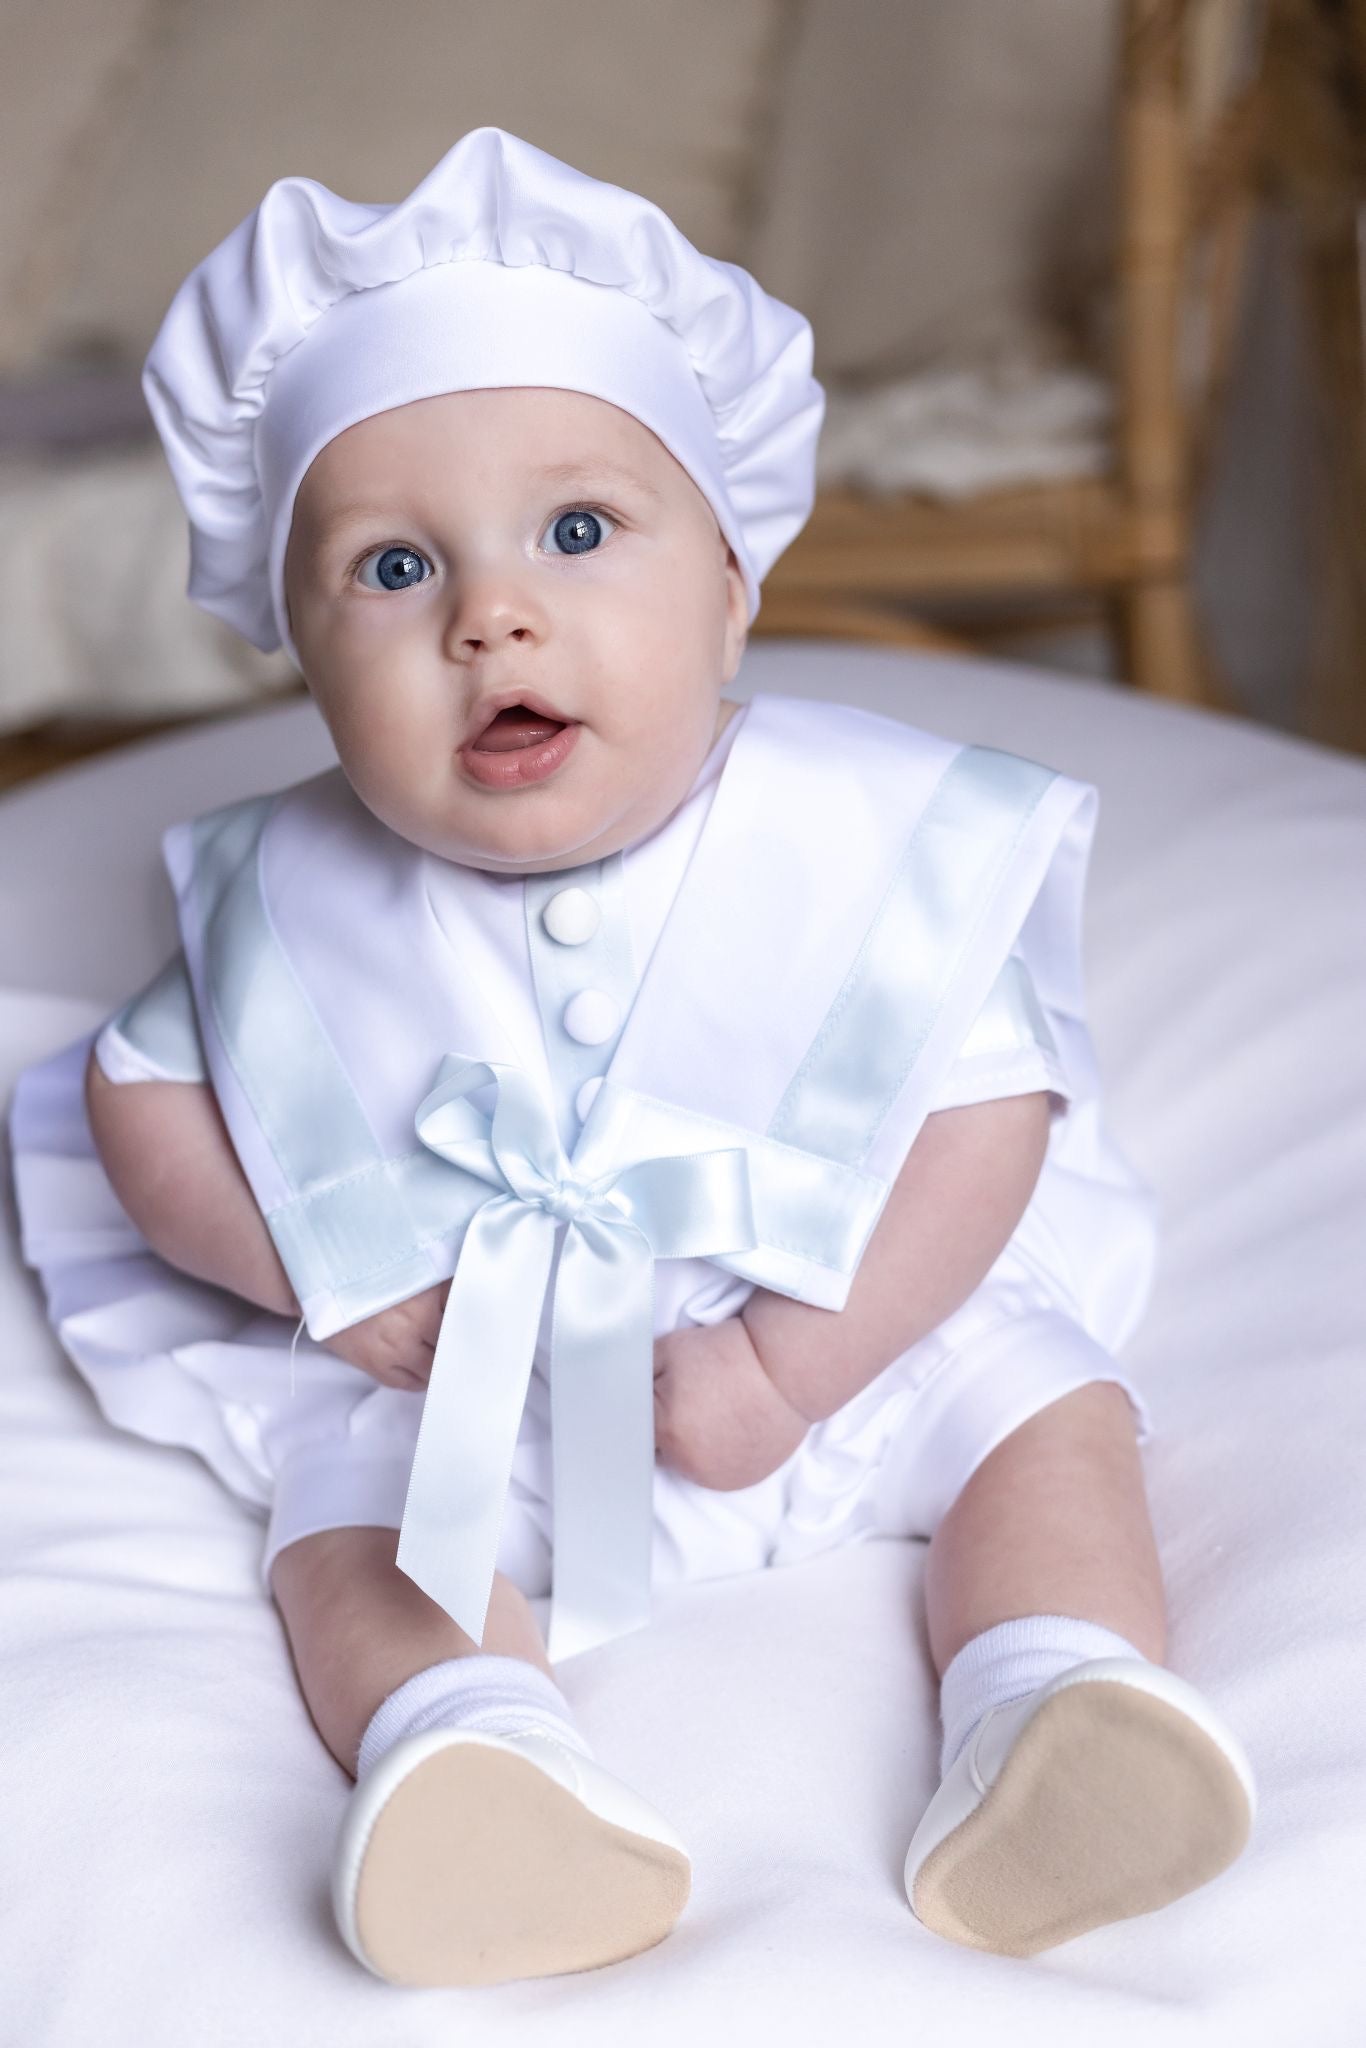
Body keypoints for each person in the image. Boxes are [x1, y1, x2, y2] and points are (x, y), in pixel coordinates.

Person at [7, 127, 1255, 1989]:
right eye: (392, 567)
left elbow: (986, 1120)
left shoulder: (858, 840)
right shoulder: (290, 895)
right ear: (300, 658)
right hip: (476, 1387)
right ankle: (475, 1760)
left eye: (577, 532)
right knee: (349, 1528)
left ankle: (1053, 1699)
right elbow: (140, 1096)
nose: (490, 614)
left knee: (1041, 1406)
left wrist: (794, 1361)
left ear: (734, 584)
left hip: (844, 1337)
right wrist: (322, 1279)